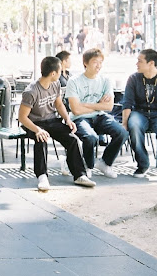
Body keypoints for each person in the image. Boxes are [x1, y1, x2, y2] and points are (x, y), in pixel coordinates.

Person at [18, 56, 95, 191]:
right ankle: (42, 176)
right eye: (60, 71)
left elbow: (59, 105)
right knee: (41, 139)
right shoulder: (31, 91)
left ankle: (79, 175)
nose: (61, 74)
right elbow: (22, 117)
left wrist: (67, 119)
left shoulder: (56, 84)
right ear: (53, 73)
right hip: (34, 123)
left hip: (52, 120)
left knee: (73, 139)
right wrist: (37, 130)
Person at [65, 48, 128, 178]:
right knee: (90, 137)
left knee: (122, 132)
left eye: (100, 62)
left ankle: (105, 162)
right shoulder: (74, 81)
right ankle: (88, 165)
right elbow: (76, 110)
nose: (98, 65)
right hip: (79, 119)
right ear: (85, 63)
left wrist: (85, 104)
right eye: (95, 62)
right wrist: (99, 105)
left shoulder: (105, 81)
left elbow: (109, 106)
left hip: (100, 116)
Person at [122, 49, 157, 177]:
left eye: (140, 61)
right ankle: (143, 164)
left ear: (151, 63)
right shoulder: (134, 78)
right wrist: (124, 124)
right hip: (139, 113)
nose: (137, 64)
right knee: (134, 126)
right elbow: (127, 103)